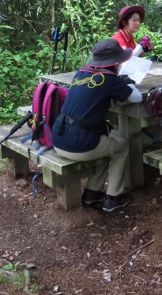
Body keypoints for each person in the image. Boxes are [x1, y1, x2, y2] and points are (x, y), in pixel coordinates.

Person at [51, 39, 143, 213]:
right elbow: (137, 98)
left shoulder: (80, 73)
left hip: (59, 138)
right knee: (121, 145)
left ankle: (93, 193)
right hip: (78, 145)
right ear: (115, 62)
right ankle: (113, 198)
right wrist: (128, 83)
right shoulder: (109, 79)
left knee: (110, 140)